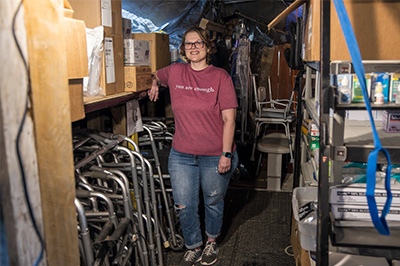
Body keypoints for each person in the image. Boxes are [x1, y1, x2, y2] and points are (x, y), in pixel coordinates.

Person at [148, 26, 238, 266]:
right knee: (184, 204)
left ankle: (210, 242)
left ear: (207, 48)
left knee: (212, 201)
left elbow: (229, 119)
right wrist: (155, 82)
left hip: (214, 154)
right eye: (189, 44)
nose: (193, 48)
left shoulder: (220, 77)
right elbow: (155, 73)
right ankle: (193, 246)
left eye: (198, 43)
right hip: (182, 155)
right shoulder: (176, 72)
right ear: (183, 49)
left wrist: (226, 154)